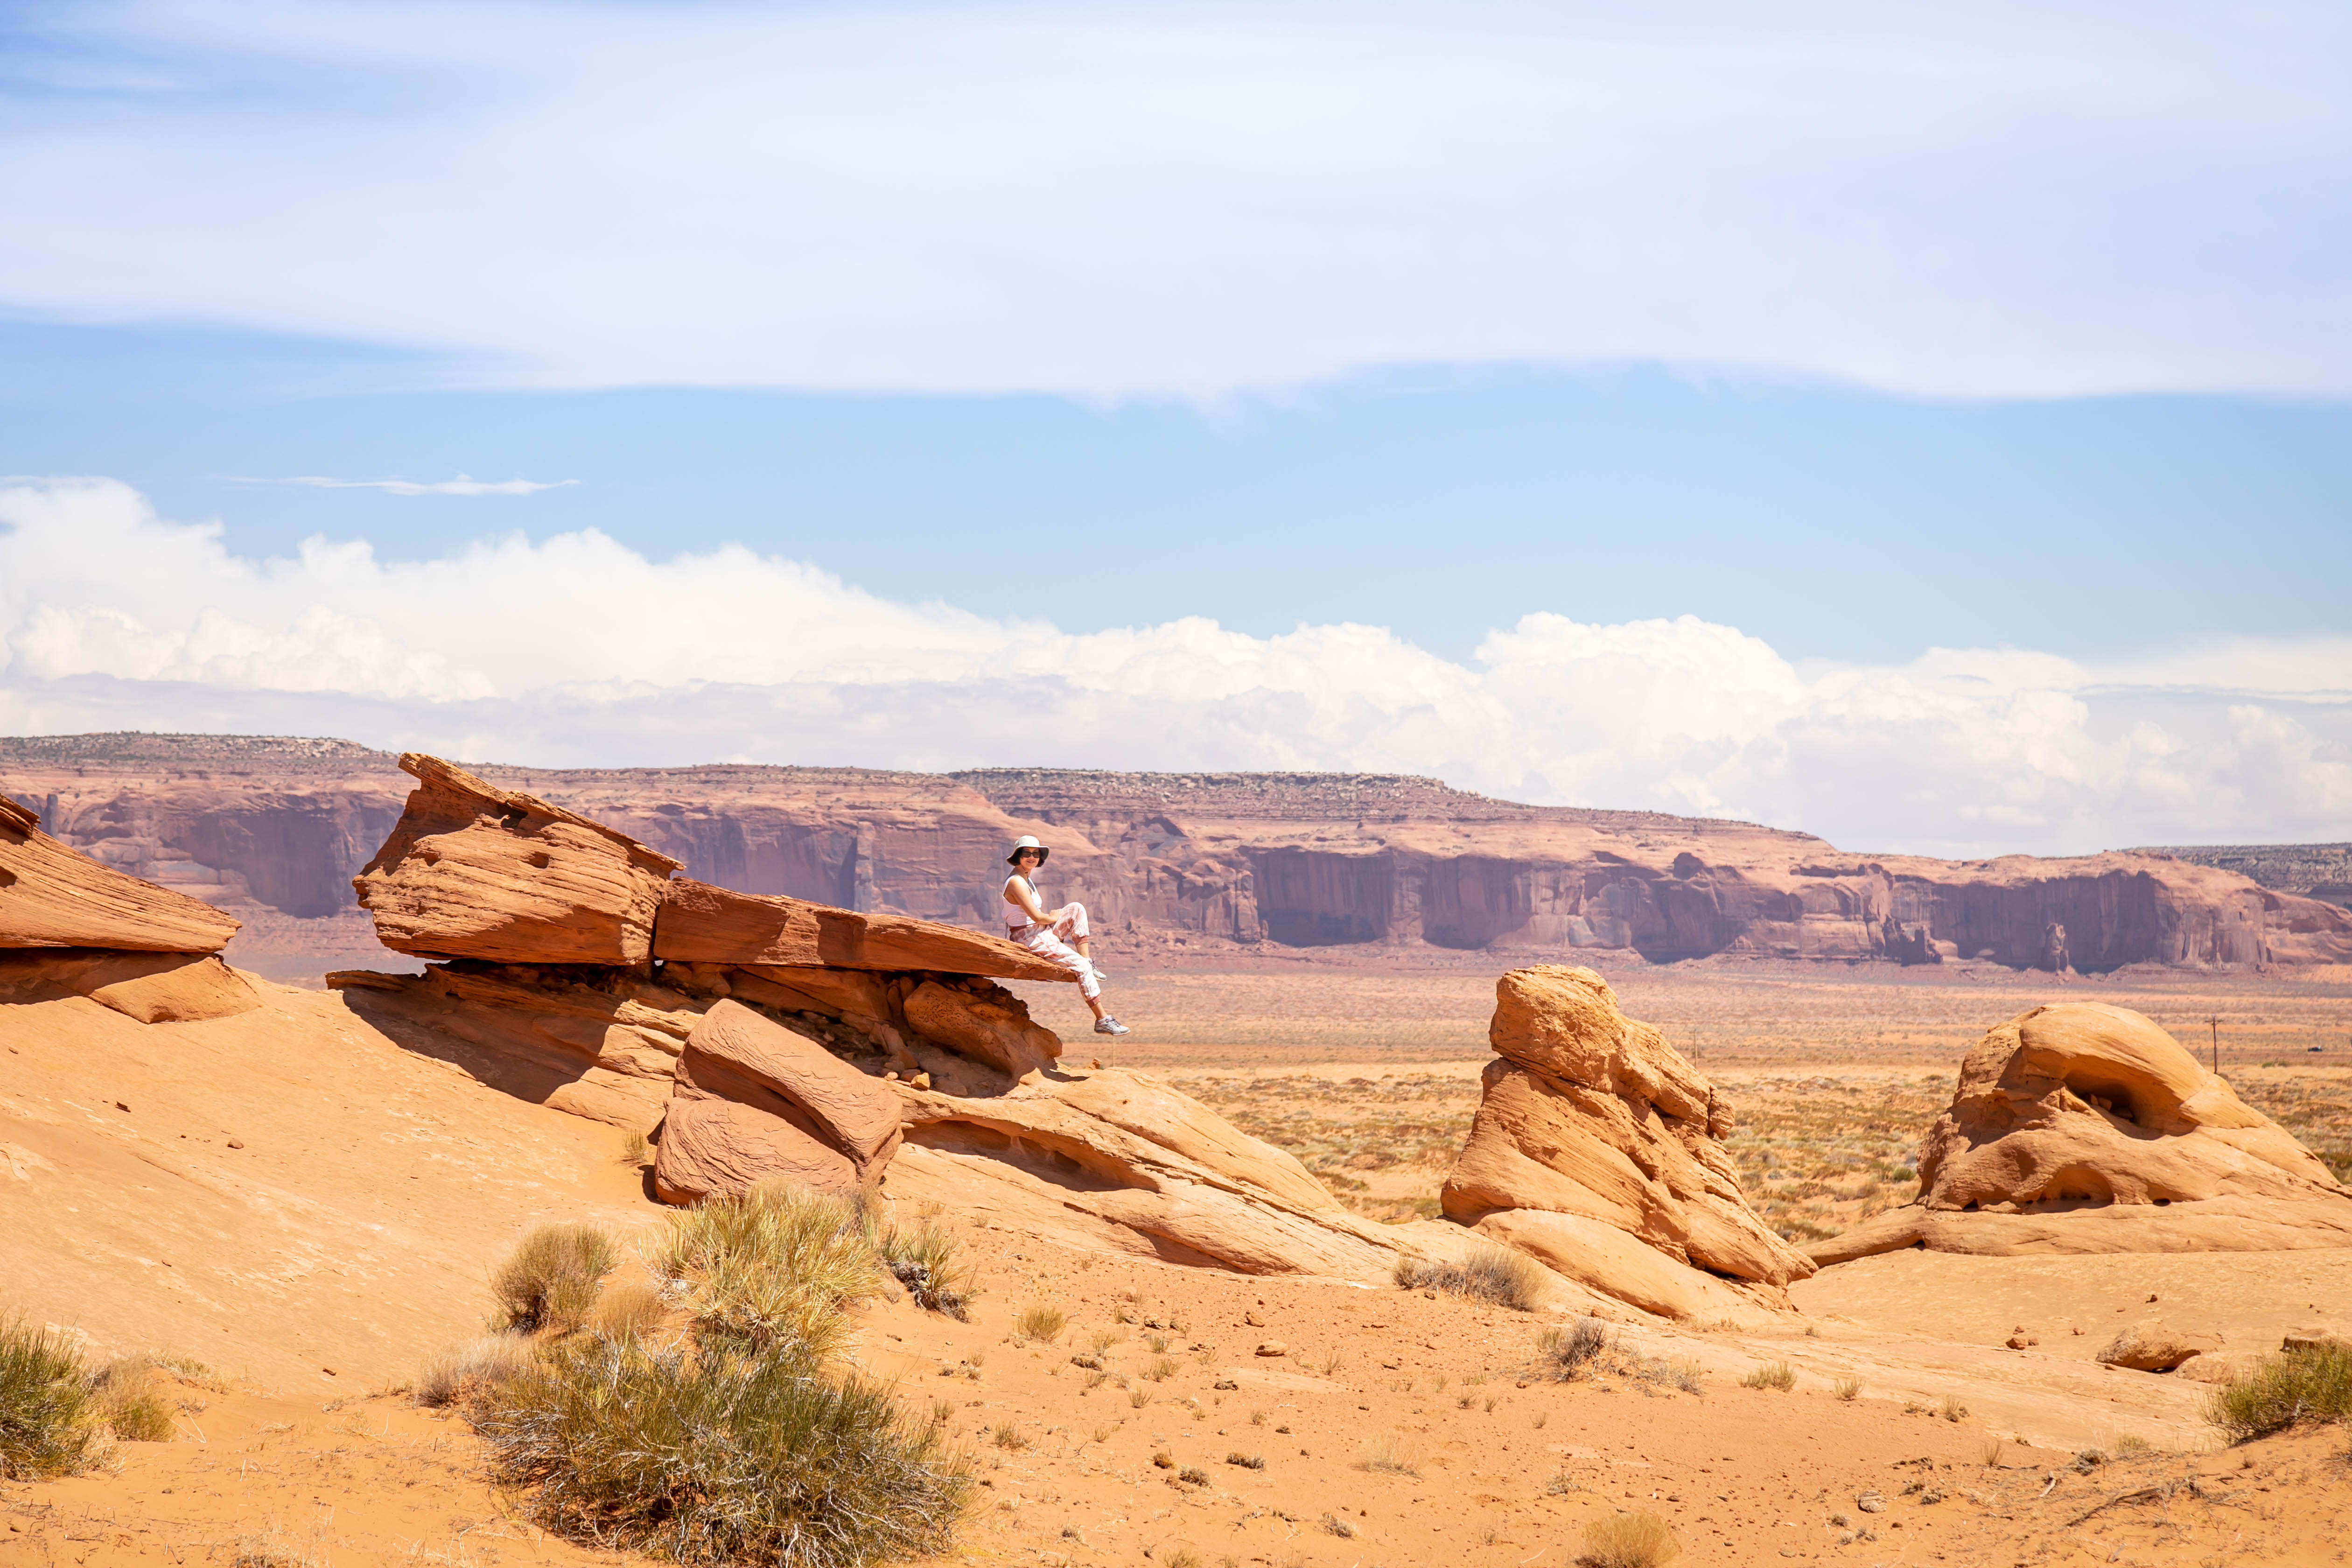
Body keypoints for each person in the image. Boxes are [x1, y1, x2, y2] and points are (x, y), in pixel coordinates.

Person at [1002, 835, 1128, 1036]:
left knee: (1076, 909)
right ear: (1018, 856)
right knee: (1081, 968)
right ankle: (1102, 1020)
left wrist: (1053, 918)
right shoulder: (1016, 882)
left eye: (1036, 854)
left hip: (1040, 932)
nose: (1032, 857)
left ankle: (1088, 960)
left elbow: (1039, 919)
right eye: (1026, 853)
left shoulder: (1026, 877)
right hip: (1028, 938)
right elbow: (1036, 917)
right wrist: (1053, 917)